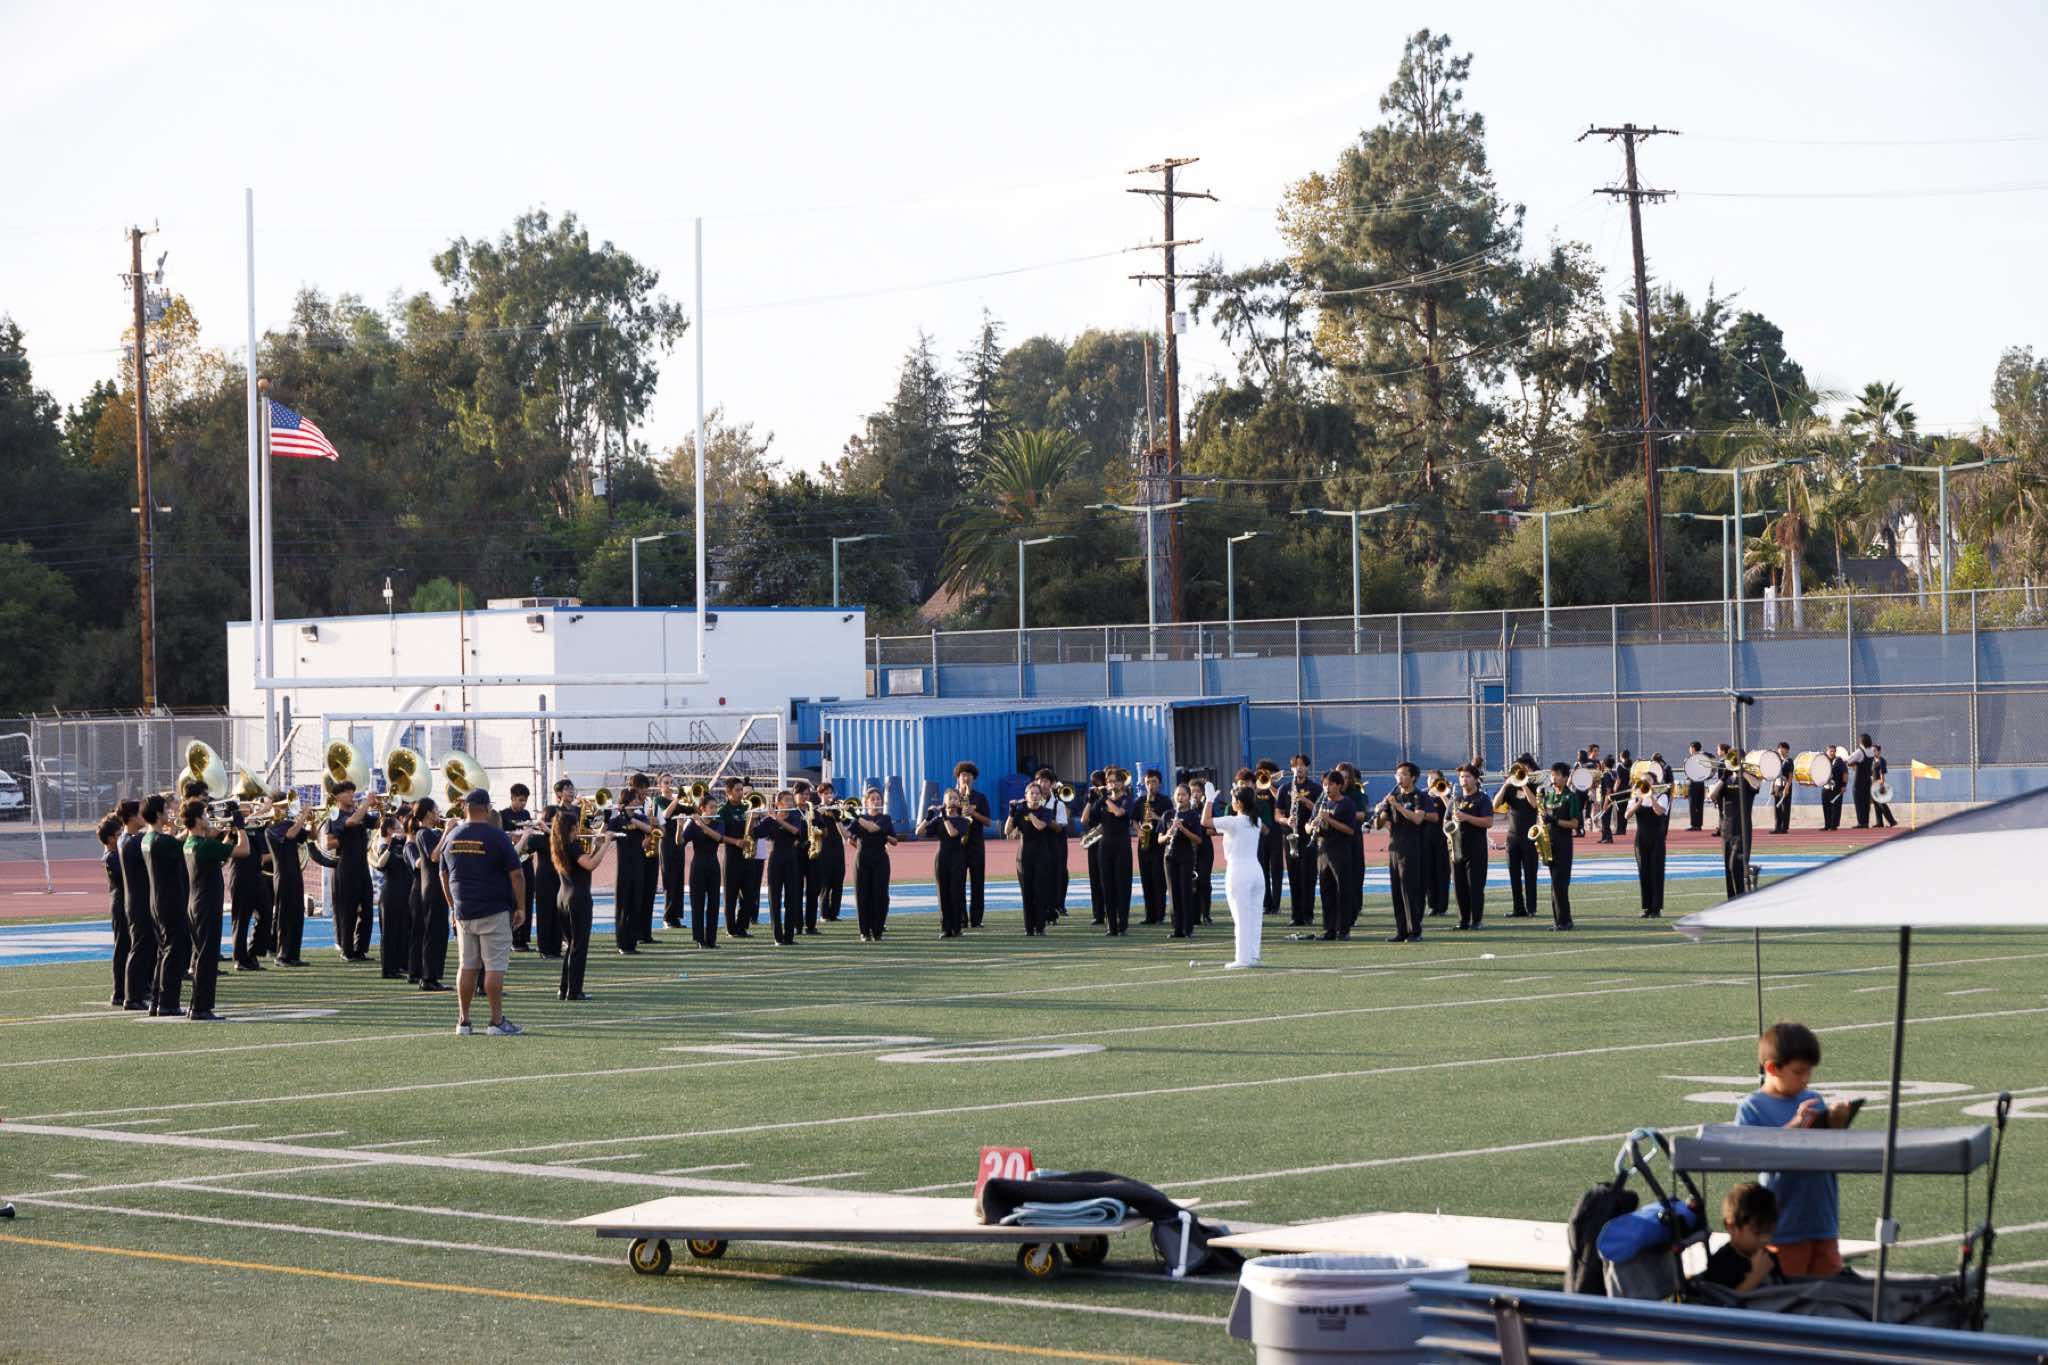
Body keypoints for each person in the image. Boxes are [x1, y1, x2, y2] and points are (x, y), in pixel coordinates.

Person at [1737, 1022, 1857, 1278]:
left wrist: (1837, 1124)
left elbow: (1832, 1153)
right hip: (1783, 1226)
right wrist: (1794, 1125)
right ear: (1772, 1068)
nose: (1806, 1079)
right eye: (1799, 1072)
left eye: (1809, 1071)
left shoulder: (1813, 1099)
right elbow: (1748, 1157)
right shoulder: (1752, 1106)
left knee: (1828, 1291)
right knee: (1787, 1291)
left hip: (1823, 1220)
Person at [438, 788, 527, 1037]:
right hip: (493, 909)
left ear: (465, 807)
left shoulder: (452, 835)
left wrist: (452, 906)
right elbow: (516, 874)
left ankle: (464, 1021)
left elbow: (442, 874)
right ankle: (496, 1021)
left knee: (467, 966)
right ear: (487, 808)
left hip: (464, 911)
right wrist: (521, 907)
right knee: (494, 967)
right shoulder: (496, 836)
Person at [182, 797, 247, 1022]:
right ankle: (201, 1008)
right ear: (197, 819)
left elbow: (218, 856)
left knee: (201, 955)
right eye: (204, 815)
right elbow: (244, 850)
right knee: (207, 958)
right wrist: (241, 827)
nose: (208, 818)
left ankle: (196, 1005)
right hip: (207, 904)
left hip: (195, 903)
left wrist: (229, 832)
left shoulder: (191, 843)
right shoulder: (205, 845)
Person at [1203, 785, 1268, 968]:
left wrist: (1209, 801)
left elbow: (1205, 821)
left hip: (1239, 871)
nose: (1231, 802)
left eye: (1233, 799)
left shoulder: (1234, 822)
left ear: (1239, 803)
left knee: (1241, 917)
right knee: (1254, 917)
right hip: (1256, 871)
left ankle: (1242, 958)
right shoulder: (1256, 821)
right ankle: (1253, 955)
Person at [550, 806, 609, 1002]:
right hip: (578, 899)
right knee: (579, 945)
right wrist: (607, 845)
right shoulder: (572, 846)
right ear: (571, 828)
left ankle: (564, 988)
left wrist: (597, 847)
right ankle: (575, 991)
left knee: (571, 945)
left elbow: (583, 865)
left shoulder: (560, 846)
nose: (578, 830)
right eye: (576, 827)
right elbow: (590, 865)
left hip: (563, 897)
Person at [139, 794, 188, 1017]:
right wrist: (193, 826)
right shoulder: (161, 841)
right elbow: (179, 844)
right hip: (170, 900)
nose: (169, 813)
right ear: (159, 814)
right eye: (166, 810)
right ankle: (169, 1002)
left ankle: (157, 1001)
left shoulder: (147, 839)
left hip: (156, 900)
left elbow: (174, 842)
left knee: (163, 951)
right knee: (174, 951)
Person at [323, 782, 378, 961]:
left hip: (362, 866)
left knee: (367, 908)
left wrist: (383, 810)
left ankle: (360, 949)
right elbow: (350, 823)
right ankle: (346, 950)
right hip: (346, 866)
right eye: (347, 792)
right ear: (338, 796)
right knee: (348, 910)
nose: (351, 795)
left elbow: (377, 824)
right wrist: (367, 803)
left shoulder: (359, 812)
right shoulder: (335, 814)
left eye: (352, 791)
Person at [1377, 763, 1430, 943]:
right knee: (1397, 891)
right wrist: (1380, 811)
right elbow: (1379, 825)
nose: (1399, 778)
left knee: (1410, 890)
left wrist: (1397, 806)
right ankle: (1401, 930)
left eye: (1404, 774)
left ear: (1413, 777)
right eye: (1397, 775)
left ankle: (1415, 931)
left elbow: (1417, 819)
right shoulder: (1394, 796)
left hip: (1411, 847)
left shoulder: (1419, 796)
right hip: (1395, 847)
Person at [1699, 1183, 1784, 1293]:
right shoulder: (1721, 1264)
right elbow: (1721, 1302)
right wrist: (1755, 1276)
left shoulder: (1768, 1256)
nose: (1765, 1239)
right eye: (1757, 1233)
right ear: (1731, 1227)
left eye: (1768, 1231)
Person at [112, 801, 154, 1010]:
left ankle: (135, 994)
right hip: (138, 902)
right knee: (138, 949)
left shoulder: (128, 839)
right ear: (130, 817)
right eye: (140, 814)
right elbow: (156, 844)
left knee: (141, 948)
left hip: (138, 900)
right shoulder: (131, 841)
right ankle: (132, 997)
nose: (143, 817)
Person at [409, 798, 451, 992]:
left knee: (440, 932)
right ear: (427, 813)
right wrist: (447, 831)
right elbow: (434, 856)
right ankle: (428, 977)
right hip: (432, 888)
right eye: (436, 810)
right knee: (433, 933)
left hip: (437, 887)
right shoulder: (423, 833)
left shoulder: (431, 833)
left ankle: (433, 976)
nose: (438, 813)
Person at [101, 810, 143, 1009]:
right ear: (111, 839)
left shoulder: (117, 854)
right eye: (118, 835)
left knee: (131, 946)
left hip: (126, 903)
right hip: (120, 905)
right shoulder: (111, 857)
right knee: (122, 948)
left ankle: (134, 987)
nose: (121, 838)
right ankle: (119, 992)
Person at [1313, 770, 1360, 941]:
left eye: (1331, 784)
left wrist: (1329, 819)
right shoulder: (1321, 802)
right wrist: (1312, 826)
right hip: (1322, 851)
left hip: (1340, 851)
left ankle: (1343, 929)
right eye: (1325, 784)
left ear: (1339, 785)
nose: (1327, 787)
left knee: (1342, 890)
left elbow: (1350, 830)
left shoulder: (1346, 804)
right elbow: (1307, 826)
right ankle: (1329, 929)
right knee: (1326, 891)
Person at [1009, 784, 1061, 937]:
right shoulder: (1020, 812)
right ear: (1026, 796)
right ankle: (1029, 927)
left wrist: (1029, 813)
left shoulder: (1046, 812)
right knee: (1027, 892)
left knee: (1040, 891)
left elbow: (1040, 826)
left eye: (1037, 793)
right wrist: (1012, 813)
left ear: (1041, 796)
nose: (1035, 796)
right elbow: (1007, 830)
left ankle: (1040, 927)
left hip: (1041, 856)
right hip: (1024, 856)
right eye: (1031, 793)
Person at [849, 786, 900, 941]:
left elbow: (873, 829)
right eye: (873, 799)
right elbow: (848, 837)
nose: (876, 801)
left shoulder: (884, 818)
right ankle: (864, 932)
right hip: (862, 860)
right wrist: (837, 819)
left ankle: (877, 931)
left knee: (880, 895)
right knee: (862, 895)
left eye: (878, 799)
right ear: (866, 802)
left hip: (880, 860)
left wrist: (856, 817)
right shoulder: (860, 818)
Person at [679, 792, 730, 947]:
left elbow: (719, 838)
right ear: (702, 808)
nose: (714, 810)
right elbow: (680, 842)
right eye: (711, 807)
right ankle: (699, 939)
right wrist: (679, 826)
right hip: (698, 866)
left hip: (713, 866)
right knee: (698, 904)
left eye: (715, 807)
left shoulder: (718, 822)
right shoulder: (693, 825)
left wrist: (701, 825)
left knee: (714, 904)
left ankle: (711, 939)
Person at [268, 794, 311, 967]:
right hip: (283, 876)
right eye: (284, 806)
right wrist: (303, 816)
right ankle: (282, 956)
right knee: (285, 916)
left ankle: (294, 955)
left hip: (295, 874)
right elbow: (291, 835)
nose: (287, 810)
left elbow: (311, 836)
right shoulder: (272, 828)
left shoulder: (289, 824)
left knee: (297, 914)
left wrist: (312, 822)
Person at [921, 791, 972, 938]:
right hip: (941, 858)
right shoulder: (938, 820)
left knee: (956, 892)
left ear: (959, 802)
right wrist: (929, 817)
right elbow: (920, 832)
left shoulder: (963, 820)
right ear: (944, 801)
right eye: (950, 798)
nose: (952, 800)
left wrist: (944, 817)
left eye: (955, 798)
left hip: (957, 859)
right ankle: (945, 928)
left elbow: (953, 833)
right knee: (942, 892)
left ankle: (957, 927)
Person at [1539, 762, 1583, 930]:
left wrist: (1554, 820)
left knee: (1560, 884)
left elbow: (1574, 824)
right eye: (1552, 774)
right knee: (1554, 885)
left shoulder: (1571, 797)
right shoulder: (1549, 796)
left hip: (1563, 844)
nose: (1554, 777)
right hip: (1549, 842)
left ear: (1565, 777)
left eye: (1557, 774)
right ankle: (1559, 920)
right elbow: (1542, 817)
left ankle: (1565, 921)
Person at [1448, 766, 1492, 930]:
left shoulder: (1482, 799)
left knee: (1475, 886)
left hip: (1476, 848)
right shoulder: (1455, 799)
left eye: (1467, 776)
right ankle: (1463, 920)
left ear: (1475, 779)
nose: (1463, 780)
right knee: (1459, 886)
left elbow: (1488, 822)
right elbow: (1446, 821)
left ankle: (1476, 920)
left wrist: (1466, 817)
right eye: (1461, 777)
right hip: (1457, 847)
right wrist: (1449, 828)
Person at [1496, 757, 1541, 918]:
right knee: (1514, 874)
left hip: (1530, 836)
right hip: (1513, 837)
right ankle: (1518, 909)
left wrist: (1523, 784)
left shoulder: (1534, 785)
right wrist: (1505, 785)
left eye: (1523, 769)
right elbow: (1495, 805)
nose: (1520, 772)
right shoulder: (1510, 788)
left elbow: (1535, 804)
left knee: (1530, 873)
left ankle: (1531, 908)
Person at [372, 811, 413, 980]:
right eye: (398, 827)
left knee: (403, 931)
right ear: (390, 831)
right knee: (389, 933)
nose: (402, 829)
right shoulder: (384, 847)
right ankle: (388, 969)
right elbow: (380, 864)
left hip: (406, 894)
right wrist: (390, 846)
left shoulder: (405, 844)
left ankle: (401, 964)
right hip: (390, 895)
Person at [1095, 768, 1134, 937]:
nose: (1111, 784)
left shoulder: (1127, 800)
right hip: (1105, 847)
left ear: (1121, 783)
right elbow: (1087, 819)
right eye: (1109, 781)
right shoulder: (1102, 801)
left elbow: (1119, 813)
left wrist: (1104, 798)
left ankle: (1122, 924)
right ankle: (1111, 925)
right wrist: (1092, 800)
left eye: (1115, 781)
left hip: (1122, 847)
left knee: (1122, 885)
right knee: (1107, 886)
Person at [1279, 755, 1318, 927]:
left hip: (1308, 838)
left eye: (1302, 765)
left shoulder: (1315, 787)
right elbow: (1277, 814)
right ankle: (1296, 916)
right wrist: (1286, 820)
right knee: (1293, 876)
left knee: (1308, 876)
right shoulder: (1285, 788)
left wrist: (1304, 800)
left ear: (1307, 768)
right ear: (1292, 769)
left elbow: (1320, 809)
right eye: (1296, 766)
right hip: (1291, 837)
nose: (1299, 768)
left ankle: (1308, 915)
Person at [954, 762, 993, 929]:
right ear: (958, 778)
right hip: (958, 845)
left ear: (974, 778)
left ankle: (976, 919)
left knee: (978, 882)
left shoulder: (980, 797)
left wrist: (974, 813)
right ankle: (961, 918)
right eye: (963, 775)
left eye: (969, 775)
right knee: (958, 883)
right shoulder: (952, 796)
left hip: (976, 844)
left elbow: (989, 822)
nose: (966, 778)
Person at [501, 783, 539, 949]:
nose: (523, 804)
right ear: (512, 798)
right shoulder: (503, 815)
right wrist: (515, 837)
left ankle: (523, 939)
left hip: (526, 860)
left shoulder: (526, 814)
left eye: (525, 801)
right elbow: (503, 837)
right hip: (512, 862)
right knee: (513, 900)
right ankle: (512, 939)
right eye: (520, 800)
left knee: (528, 898)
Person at [1627, 770, 1670, 918]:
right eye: (1643, 781)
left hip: (1657, 839)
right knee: (1643, 872)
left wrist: (1651, 797)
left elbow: (1659, 812)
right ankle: (1647, 907)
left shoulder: (1662, 796)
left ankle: (1656, 908)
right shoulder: (1635, 797)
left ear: (1655, 783)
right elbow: (1627, 815)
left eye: (1648, 781)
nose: (1645, 783)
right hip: (1641, 840)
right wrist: (1639, 800)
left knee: (1656, 873)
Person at [716, 778, 753, 938]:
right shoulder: (723, 810)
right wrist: (736, 842)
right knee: (731, 896)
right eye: (737, 790)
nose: (740, 793)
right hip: (732, 856)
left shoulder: (747, 808)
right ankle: (731, 929)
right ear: (728, 792)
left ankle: (742, 927)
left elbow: (751, 831)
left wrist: (754, 818)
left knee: (749, 894)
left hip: (747, 855)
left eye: (741, 790)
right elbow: (720, 836)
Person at [1721, 755, 1762, 900]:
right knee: (1728, 867)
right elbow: (1712, 795)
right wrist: (1723, 778)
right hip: (1727, 829)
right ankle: (1731, 899)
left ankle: (1741, 896)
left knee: (1735, 865)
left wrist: (1742, 772)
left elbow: (1757, 784)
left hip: (1742, 829)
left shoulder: (1748, 778)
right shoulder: (1727, 780)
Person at [1160, 783, 1198, 939]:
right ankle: (1177, 929)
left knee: (1185, 891)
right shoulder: (1167, 814)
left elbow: (1198, 839)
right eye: (1178, 794)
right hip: (1170, 857)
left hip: (1186, 856)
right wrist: (1168, 834)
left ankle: (1188, 928)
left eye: (1183, 795)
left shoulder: (1193, 815)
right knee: (1173, 892)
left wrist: (1182, 829)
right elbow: (1159, 839)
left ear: (1188, 797)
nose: (1180, 797)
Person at [807, 781, 848, 924]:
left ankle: (834, 913)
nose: (829, 796)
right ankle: (824, 914)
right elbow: (812, 821)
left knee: (838, 881)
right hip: (823, 848)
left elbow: (844, 834)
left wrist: (837, 817)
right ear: (820, 795)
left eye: (831, 793)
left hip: (837, 849)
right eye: (826, 793)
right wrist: (824, 809)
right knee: (825, 882)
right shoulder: (816, 810)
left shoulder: (836, 810)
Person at [1133, 769, 1168, 925]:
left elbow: (1170, 821)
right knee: (1146, 880)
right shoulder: (1140, 801)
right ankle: (1149, 916)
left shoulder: (1165, 801)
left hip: (1159, 844)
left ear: (1159, 784)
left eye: (1153, 782)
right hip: (1144, 844)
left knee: (1159, 880)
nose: (1150, 785)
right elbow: (1134, 820)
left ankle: (1160, 915)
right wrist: (1139, 830)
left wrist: (1156, 817)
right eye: (1148, 782)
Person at [1253, 761, 1285, 917]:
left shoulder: (1277, 789)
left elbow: (1280, 799)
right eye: (1261, 772)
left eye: (1267, 772)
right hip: (1259, 834)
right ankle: (1266, 903)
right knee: (1262, 870)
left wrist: (1270, 783)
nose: (1264, 775)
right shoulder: (1255, 789)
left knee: (1276, 870)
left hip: (1276, 833)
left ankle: (1276, 905)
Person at [1420, 770, 1451, 918]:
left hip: (1442, 838)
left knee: (1442, 873)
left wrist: (1442, 794)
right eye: (1430, 779)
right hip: (1426, 838)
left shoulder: (1446, 793)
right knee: (1429, 873)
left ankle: (1442, 906)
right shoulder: (1422, 795)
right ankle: (1432, 905)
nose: (1432, 782)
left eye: (1435, 779)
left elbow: (1452, 810)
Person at [1079, 770, 1107, 925]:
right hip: (1094, 840)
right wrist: (1090, 801)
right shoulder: (1091, 797)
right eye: (1094, 782)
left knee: (1107, 878)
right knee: (1095, 878)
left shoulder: (1110, 796)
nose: (1096, 785)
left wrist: (1105, 795)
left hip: (1108, 839)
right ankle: (1098, 914)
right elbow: (1084, 819)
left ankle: (1112, 911)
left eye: (1098, 782)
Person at [1849, 732, 1877, 829]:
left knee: (1858, 801)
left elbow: (1849, 761)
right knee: (1866, 802)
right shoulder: (1872, 751)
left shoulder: (1859, 751)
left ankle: (1861, 822)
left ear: (1861, 741)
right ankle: (1866, 821)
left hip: (1859, 780)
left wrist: (1852, 761)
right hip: (1867, 779)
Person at [1820, 744, 1847, 830]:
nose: (1832, 753)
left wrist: (1844, 785)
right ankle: (1827, 825)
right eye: (1830, 751)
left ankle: (1834, 825)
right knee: (1826, 806)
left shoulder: (1839, 761)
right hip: (1826, 787)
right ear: (1827, 751)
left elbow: (1845, 773)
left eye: (1834, 751)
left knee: (1835, 807)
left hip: (1836, 787)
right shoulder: (1824, 760)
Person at [1770, 742, 1794, 835]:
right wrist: (1772, 788)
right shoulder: (1777, 761)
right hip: (1777, 786)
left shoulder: (1789, 761)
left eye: (1782, 748)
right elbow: (1773, 775)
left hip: (1785, 786)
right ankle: (1777, 827)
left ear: (1786, 750)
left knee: (1785, 807)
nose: (1780, 750)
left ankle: (1784, 828)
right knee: (1777, 807)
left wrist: (1787, 788)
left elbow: (1790, 776)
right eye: (1779, 748)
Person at [1871, 744, 1898, 827]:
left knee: (1882, 803)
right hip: (1873, 785)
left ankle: (1892, 821)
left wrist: (1882, 785)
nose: (1873, 752)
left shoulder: (1881, 760)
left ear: (1879, 751)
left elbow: (1882, 773)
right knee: (1876, 803)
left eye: (1874, 750)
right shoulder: (1873, 760)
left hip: (1879, 785)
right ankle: (1879, 822)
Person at [1685, 741, 1708, 831]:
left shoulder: (1689, 759)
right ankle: (1699, 824)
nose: (1689, 749)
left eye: (1690, 748)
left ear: (1693, 748)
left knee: (1693, 805)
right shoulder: (1703, 758)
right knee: (1699, 804)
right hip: (1701, 783)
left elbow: (1687, 772)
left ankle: (1694, 825)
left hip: (1693, 783)